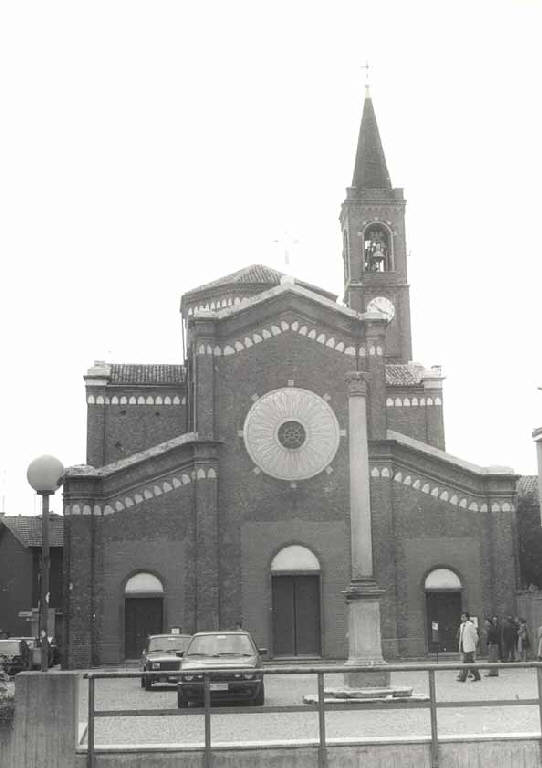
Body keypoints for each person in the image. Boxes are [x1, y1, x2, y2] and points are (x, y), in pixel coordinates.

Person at [457, 612, 481, 682]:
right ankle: (477, 676)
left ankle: (463, 677)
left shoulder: (470, 625)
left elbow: (475, 635)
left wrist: (474, 644)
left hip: (469, 646)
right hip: (463, 646)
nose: (462, 618)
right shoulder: (461, 625)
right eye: (461, 617)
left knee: (466, 662)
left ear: (467, 618)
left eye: (464, 617)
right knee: (470, 662)